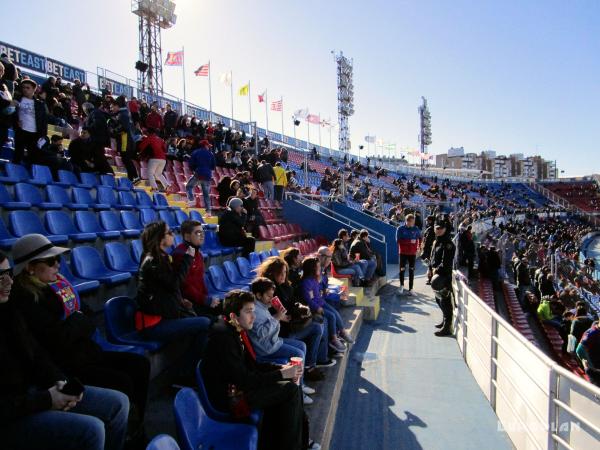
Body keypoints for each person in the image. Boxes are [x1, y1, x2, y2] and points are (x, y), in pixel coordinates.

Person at [0, 252, 130, 450]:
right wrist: (47, 400)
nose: (9, 281)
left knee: (118, 403)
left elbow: (36, 354)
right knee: (92, 430)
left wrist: (60, 382)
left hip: (36, 391)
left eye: (9, 273)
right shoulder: (22, 300)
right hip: (13, 415)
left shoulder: (8, 310)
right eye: (0, 277)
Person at [201, 290, 321, 450]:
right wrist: (281, 374)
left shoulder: (235, 330)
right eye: (248, 311)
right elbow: (245, 380)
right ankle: (294, 445)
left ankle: (293, 440)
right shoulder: (224, 338)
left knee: (290, 385)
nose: (253, 316)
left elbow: (253, 365)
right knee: (290, 389)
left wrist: (282, 368)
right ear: (233, 316)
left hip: (239, 386)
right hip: (230, 397)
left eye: (253, 311)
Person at [135, 221, 212, 381]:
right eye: (169, 233)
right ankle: (184, 373)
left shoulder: (159, 257)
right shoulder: (154, 260)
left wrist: (181, 300)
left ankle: (189, 370)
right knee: (204, 323)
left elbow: (166, 288)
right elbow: (175, 283)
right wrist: (187, 258)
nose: (173, 235)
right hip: (154, 324)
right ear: (160, 238)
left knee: (203, 323)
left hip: (163, 315)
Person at [256, 256, 334, 378]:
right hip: (282, 332)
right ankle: (312, 366)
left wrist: (301, 308)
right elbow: (273, 316)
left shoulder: (286, 286)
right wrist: (287, 315)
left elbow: (292, 303)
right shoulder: (269, 291)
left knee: (319, 324)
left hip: (292, 324)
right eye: (280, 273)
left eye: (285, 272)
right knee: (317, 327)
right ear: (272, 273)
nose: (283, 275)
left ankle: (313, 363)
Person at [247, 277, 316, 404]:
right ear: (258, 295)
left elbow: (269, 322)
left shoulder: (262, 305)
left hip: (274, 341)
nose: (271, 298)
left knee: (302, 346)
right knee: (299, 354)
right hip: (267, 348)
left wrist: (280, 317)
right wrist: (276, 318)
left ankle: (301, 382)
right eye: (268, 296)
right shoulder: (255, 310)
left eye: (272, 295)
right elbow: (261, 333)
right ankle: (298, 391)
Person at [171, 220, 222, 319]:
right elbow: (185, 287)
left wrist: (208, 299)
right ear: (187, 237)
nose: (202, 235)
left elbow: (200, 281)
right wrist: (206, 300)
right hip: (188, 304)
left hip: (200, 301)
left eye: (202, 232)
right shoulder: (180, 254)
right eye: (198, 233)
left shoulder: (197, 253)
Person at [301, 257, 347, 354]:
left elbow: (321, 294)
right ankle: (334, 339)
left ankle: (341, 333)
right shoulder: (307, 282)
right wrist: (317, 308)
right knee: (331, 316)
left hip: (322, 302)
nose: (320, 269)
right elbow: (309, 299)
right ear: (312, 269)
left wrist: (338, 296)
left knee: (335, 313)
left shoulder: (315, 280)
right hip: (317, 307)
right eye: (317, 267)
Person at [428, 221, 456, 337]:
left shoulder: (448, 244)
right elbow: (432, 257)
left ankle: (447, 326)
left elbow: (446, 264)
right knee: (438, 300)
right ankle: (444, 321)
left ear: (445, 229)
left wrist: (436, 270)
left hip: (444, 276)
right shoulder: (436, 241)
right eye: (436, 228)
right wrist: (429, 268)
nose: (438, 230)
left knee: (445, 301)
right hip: (435, 274)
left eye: (440, 228)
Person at [13, 79, 48, 164]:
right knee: (18, 155)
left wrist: (43, 135)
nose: (25, 89)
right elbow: (11, 113)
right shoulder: (17, 99)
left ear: (34, 89)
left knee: (33, 157)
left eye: (28, 88)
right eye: (23, 87)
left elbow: (44, 120)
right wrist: (15, 122)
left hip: (34, 133)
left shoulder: (40, 104)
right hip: (21, 131)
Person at [109, 97, 139, 183]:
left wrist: (113, 131)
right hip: (127, 140)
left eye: (112, 107)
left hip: (125, 141)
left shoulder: (122, 115)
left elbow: (123, 128)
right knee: (126, 159)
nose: (112, 109)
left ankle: (134, 177)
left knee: (126, 159)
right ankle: (133, 178)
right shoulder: (125, 113)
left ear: (117, 106)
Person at [138, 128, 174, 192]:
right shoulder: (160, 139)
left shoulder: (149, 138)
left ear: (149, 133)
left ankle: (154, 188)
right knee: (158, 174)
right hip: (163, 159)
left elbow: (141, 146)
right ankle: (167, 186)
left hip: (155, 158)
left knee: (150, 173)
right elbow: (165, 149)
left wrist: (139, 152)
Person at [82, 102, 114, 175]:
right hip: (99, 139)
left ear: (86, 109)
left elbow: (97, 124)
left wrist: (87, 128)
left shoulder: (95, 113)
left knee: (98, 156)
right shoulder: (96, 113)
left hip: (97, 140)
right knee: (98, 156)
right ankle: (103, 172)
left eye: (84, 110)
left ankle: (107, 172)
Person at [186, 138, 216, 212]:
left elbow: (190, 164)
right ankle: (208, 211)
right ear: (205, 145)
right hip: (208, 175)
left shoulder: (195, 152)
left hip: (198, 173)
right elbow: (213, 166)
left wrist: (194, 170)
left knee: (189, 186)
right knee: (206, 194)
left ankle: (191, 200)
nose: (209, 147)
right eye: (208, 145)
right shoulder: (210, 154)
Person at [396, 214, 422, 295]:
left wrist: (419, 246)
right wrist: (410, 241)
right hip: (403, 253)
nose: (413, 223)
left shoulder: (416, 228)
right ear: (407, 221)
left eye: (414, 221)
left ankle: (411, 289)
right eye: (412, 222)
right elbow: (398, 241)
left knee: (411, 271)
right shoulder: (400, 229)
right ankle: (401, 286)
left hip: (412, 253)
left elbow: (420, 237)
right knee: (402, 270)